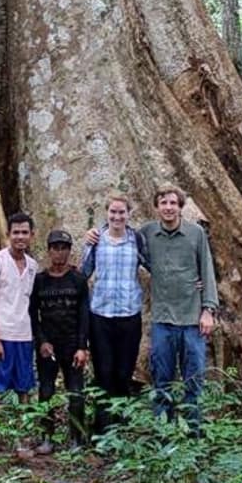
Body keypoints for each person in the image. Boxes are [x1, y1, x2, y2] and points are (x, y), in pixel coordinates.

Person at [143, 184, 218, 432]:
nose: (168, 208)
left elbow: (206, 270)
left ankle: (192, 431)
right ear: (156, 207)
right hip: (162, 319)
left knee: (194, 378)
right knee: (161, 378)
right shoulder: (147, 234)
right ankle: (163, 431)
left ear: (180, 207)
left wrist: (208, 309)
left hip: (192, 319)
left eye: (173, 203)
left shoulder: (195, 233)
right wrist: (95, 234)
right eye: (163, 203)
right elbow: (119, 237)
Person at [79, 193, 150, 433]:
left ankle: (120, 424)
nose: (117, 216)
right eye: (113, 212)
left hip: (129, 315)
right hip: (100, 315)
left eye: (122, 212)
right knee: (103, 371)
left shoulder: (136, 240)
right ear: (106, 213)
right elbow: (83, 272)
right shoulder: (96, 240)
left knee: (123, 371)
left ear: (129, 214)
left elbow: (155, 266)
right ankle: (100, 427)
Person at [29, 229, 91, 453]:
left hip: (72, 344)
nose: (59, 253)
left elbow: (85, 315)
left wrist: (82, 347)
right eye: (55, 248)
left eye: (64, 248)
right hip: (48, 347)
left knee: (75, 393)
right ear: (48, 251)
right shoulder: (40, 281)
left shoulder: (78, 280)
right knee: (46, 392)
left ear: (69, 251)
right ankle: (47, 437)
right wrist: (42, 341)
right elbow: (32, 314)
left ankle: (77, 438)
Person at [0, 212, 39, 418]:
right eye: (16, 233)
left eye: (24, 232)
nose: (20, 237)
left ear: (32, 235)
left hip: (23, 335)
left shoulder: (32, 266)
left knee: (24, 387)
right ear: (8, 234)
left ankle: (22, 438)